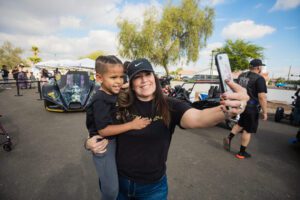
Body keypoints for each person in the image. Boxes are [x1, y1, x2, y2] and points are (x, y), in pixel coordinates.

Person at [85, 58, 249, 199]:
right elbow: (99, 125)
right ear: (131, 83)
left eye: (147, 74)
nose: (144, 80)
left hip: (152, 188)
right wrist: (88, 142)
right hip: (119, 181)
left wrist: (228, 110)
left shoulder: (170, 105)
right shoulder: (120, 101)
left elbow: (198, 118)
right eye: (137, 77)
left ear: (154, 78)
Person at [85, 55, 151, 200]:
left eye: (121, 77)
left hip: (113, 142)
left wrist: (127, 84)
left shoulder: (112, 91)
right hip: (104, 144)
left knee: (112, 178)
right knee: (111, 189)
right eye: (113, 77)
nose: (119, 81)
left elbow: (122, 86)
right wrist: (132, 125)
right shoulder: (100, 99)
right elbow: (103, 130)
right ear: (99, 78)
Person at [223, 58, 268, 159]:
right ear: (259, 67)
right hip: (251, 107)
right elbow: (262, 96)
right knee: (247, 130)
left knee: (240, 123)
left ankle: (229, 138)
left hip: (241, 105)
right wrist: (265, 111)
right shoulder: (259, 78)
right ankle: (241, 153)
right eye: (261, 67)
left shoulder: (241, 75)